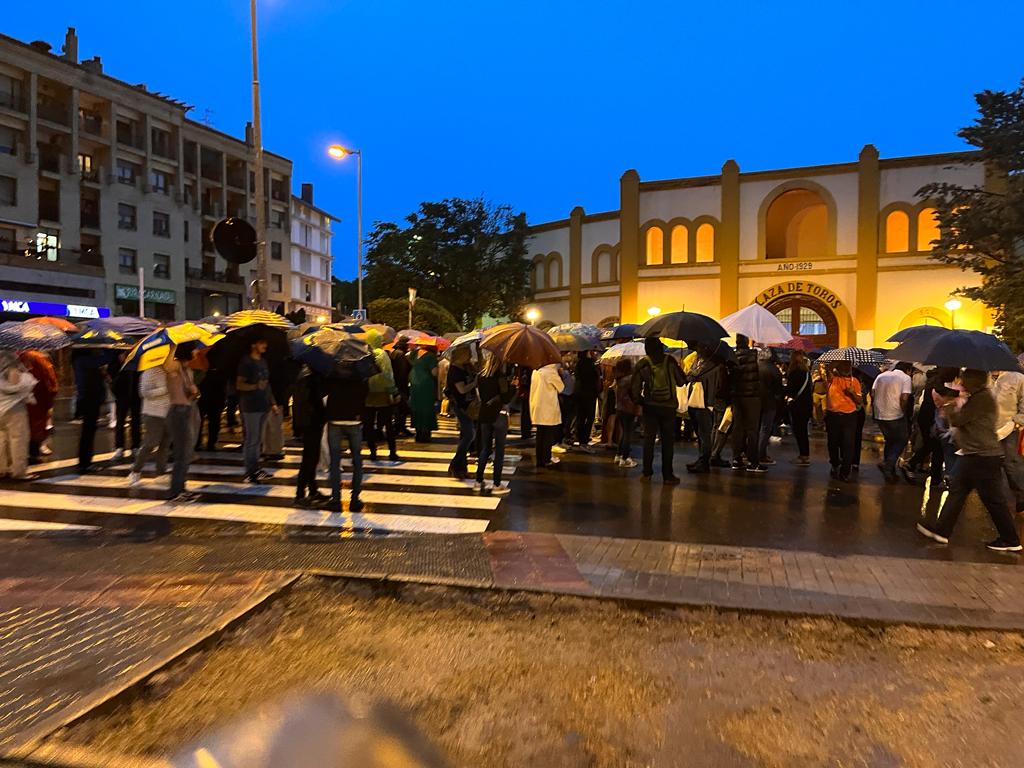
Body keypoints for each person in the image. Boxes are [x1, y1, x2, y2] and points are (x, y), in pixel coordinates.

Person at [918, 370, 1022, 552]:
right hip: (975, 453)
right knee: (958, 492)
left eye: (966, 380)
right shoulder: (979, 397)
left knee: (993, 500)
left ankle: (1010, 539)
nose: (963, 383)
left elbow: (960, 420)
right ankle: (942, 531)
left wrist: (948, 407)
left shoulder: (982, 398)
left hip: (982, 455)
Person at [631, 337, 684, 484]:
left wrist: (641, 401)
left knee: (648, 441)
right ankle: (668, 476)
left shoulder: (643, 364)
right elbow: (681, 381)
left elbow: (634, 389)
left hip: (650, 407)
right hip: (669, 407)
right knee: (668, 442)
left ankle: (647, 474)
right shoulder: (670, 361)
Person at [323, 372, 369, 513]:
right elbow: (365, 395)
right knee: (357, 460)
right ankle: (354, 499)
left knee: (335, 461)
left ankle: (335, 498)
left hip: (335, 419)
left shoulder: (332, 373)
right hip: (354, 420)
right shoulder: (360, 374)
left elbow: (324, 393)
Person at [236, 337, 278, 483]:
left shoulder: (263, 361)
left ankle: (256, 468)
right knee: (252, 440)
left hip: (263, 404)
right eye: (261, 342)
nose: (265, 345)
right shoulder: (246, 362)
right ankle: (250, 471)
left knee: (258, 439)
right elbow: (239, 385)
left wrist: (273, 402)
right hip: (250, 406)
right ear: (253, 344)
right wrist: (255, 386)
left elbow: (267, 384)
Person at [127, 360, 172, 486]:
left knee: (165, 444)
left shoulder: (170, 371)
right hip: (153, 413)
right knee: (150, 443)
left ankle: (161, 473)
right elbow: (144, 393)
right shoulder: (150, 371)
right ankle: (135, 471)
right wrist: (164, 389)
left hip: (168, 412)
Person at [164, 344, 199, 502]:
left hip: (186, 410)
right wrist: (173, 346)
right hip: (177, 412)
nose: (196, 352)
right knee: (181, 454)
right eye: (193, 349)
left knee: (186, 453)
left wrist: (194, 392)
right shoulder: (175, 365)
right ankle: (175, 491)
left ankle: (181, 488)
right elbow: (167, 365)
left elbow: (189, 395)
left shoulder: (188, 370)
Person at [474, 353, 513, 495]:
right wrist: (513, 387)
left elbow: (480, 396)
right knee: (500, 451)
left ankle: (478, 481)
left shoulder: (480, 376)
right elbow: (505, 398)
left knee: (485, 449)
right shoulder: (500, 376)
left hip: (484, 414)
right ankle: (497, 484)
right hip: (499, 415)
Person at [686, 345, 726, 474]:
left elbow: (695, 375)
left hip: (705, 402)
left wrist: (691, 374)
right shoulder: (698, 361)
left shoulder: (714, 365)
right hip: (694, 401)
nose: (698, 349)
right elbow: (690, 375)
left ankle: (704, 463)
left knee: (704, 434)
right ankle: (701, 459)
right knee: (699, 433)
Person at [292, 365, 328, 507]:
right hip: (310, 423)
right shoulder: (308, 380)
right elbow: (309, 404)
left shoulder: (308, 377)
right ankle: (300, 495)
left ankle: (312, 490)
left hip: (312, 423)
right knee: (309, 458)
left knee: (313, 458)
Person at [872, 362, 913, 483]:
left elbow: (873, 393)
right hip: (895, 414)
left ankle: (889, 468)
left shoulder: (881, 376)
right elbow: (904, 398)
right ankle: (888, 465)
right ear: (908, 370)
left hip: (880, 414)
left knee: (890, 440)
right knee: (901, 440)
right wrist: (903, 411)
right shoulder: (906, 378)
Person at [991, 368, 1024, 513]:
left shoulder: (1017, 379)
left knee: (1011, 464)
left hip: (1009, 429)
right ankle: (995, 500)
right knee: (988, 464)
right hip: (987, 429)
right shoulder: (982, 378)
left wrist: (1017, 422)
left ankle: (1021, 495)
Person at [364, 332, 401, 463]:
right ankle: (392, 452)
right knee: (388, 424)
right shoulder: (381, 354)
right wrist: (394, 391)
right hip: (382, 394)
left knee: (368, 425)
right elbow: (388, 374)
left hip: (367, 395)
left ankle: (373, 452)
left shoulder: (363, 353)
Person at [0, 352, 37, 481]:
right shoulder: (9, 359)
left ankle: (2, 469)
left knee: (2, 438)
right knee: (18, 439)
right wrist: (25, 375)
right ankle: (19, 471)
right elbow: (14, 385)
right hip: (13, 407)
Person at [824, 360, 863, 481]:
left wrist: (852, 393)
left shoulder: (854, 381)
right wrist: (835, 363)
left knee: (848, 444)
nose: (847, 367)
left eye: (848, 365)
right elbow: (827, 370)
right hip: (833, 415)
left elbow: (859, 401)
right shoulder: (832, 379)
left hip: (849, 416)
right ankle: (835, 463)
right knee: (832, 443)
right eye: (844, 364)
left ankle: (845, 471)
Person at [17, 350, 57, 464]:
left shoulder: (15, 358)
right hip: (37, 399)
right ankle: (33, 453)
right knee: (36, 426)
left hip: (20, 400)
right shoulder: (39, 358)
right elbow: (48, 379)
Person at [445, 346, 479, 479]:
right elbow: (462, 390)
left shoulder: (464, 367)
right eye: (468, 353)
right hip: (460, 405)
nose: (470, 355)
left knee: (465, 435)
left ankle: (460, 469)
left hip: (467, 405)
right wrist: (474, 383)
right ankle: (454, 464)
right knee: (470, 435)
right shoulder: (454, 370)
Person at [729, 334, 762, 472]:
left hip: (737, 396)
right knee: (752, 430)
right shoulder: (753, 355)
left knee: (738, 428)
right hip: (752, 397)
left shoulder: (732, 356)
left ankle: (736, 459)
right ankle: (753, 462)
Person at [75, 348, 109, 474]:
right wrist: (109, 351)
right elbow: (103, 360)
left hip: (88, 399)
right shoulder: (84, 360)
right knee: (88, 432)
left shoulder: (81, 360)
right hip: (89, 399)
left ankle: (85, 462)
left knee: (88, 432)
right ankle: (85, 463)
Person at [530, 362, 565, 469]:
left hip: (537, 406)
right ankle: (546, 459)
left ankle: (539, 460)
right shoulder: (551, 372)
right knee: (548, 435)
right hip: (548, 407)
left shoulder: (536, 371)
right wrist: (560, 374)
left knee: (540, 435)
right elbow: (561, 387)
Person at [755, 348, 783, 470]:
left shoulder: (755, 367)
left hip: (755, 401)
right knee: (765, 429)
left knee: (754, 428)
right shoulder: (774, 370)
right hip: (769, 403)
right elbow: (778, 391)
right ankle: (761, 455)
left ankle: (751, 452)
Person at [785, 350, 813, 466]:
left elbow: (791, 390)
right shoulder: (807, 372)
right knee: (803, 431)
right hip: (807, 404)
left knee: (799, 431)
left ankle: (804, 456)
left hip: (798, 405)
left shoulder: (794, 372)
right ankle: (805, 454)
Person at [111, 353, 141, 461]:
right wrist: (121, 362)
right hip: (122, 393)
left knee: (136, 420)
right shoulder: (117, 355)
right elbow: (112, 371)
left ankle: (136, 446)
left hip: (135, 393)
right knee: (120, 420)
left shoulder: (138, 355)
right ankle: (119, 447)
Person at [407, 343, 439, 442]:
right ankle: (425, 433)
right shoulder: (431, 356)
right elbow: (434, 372)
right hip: (426, 384)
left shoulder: (413, 353)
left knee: (416, 407)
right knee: (427, 407)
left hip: (414, 383)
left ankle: (418, 432)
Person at [613, 359, 639, 468]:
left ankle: (619, 454)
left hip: (619, 408)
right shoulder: (630, 379)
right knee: (628, 433)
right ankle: (625, 458)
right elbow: (634, 395)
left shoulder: (619, 379)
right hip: (629, 408)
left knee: (624, 432)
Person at [195, 367, 226, 452]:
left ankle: (201, 443)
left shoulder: (201, 369)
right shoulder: (220, 370)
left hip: (208, 397)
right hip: (211, 397)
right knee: (213, 421)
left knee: (207, 421)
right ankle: (209, 444)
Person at [574, 351, 600, 449]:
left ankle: (579, 436)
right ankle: (584, 439)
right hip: (590, 393)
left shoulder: (578, 364)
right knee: (589, 417)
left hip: (579, 392)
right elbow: (595, 377)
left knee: (580, 416)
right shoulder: (590, 363)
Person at [388, 336, 413, 437]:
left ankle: (398, 427)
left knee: (398, 408)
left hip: (395, 383)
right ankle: (399, 427)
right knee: (402, 408)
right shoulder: (401, 354)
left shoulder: (394, 353)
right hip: (401, 385)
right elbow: (402, 372)